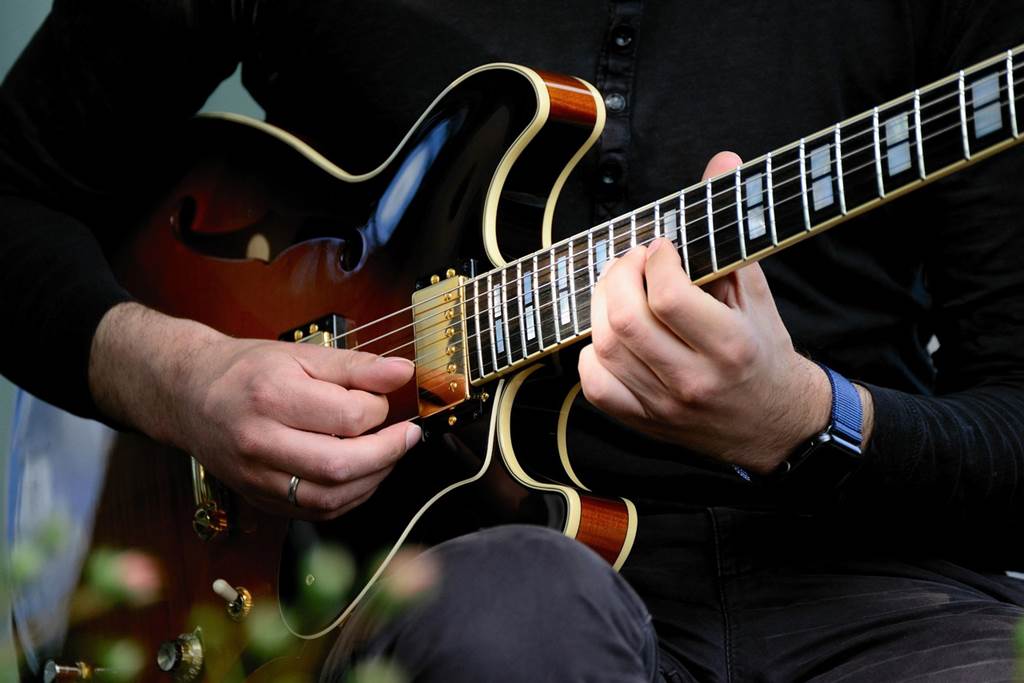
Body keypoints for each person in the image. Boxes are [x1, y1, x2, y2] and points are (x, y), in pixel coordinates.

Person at [3, 1, 1024, 681]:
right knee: (517, 621)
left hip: (886, 591)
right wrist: (179, 375)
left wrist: (807, 420)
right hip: (434, 577)